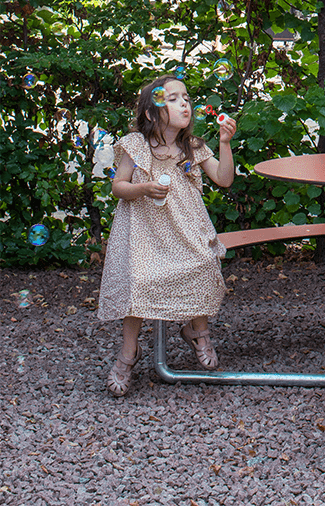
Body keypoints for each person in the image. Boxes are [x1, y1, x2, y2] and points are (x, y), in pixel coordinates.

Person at [97, 75, 237, 397]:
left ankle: (197, 330)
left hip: (184, 231)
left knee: (202, 263)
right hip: (143, 235)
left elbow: (224, 179)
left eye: (186, 98)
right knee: (139, 279)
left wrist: (225, 143)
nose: (184, 103)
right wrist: (143, 188)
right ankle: (129, 351)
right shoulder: (137, 145)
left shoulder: (193, 148)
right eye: (173, 99)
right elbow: (118, 187)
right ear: (151, 113)